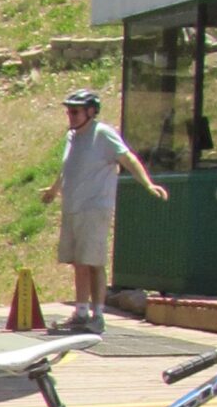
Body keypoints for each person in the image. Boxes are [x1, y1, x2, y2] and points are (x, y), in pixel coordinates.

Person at [40, 88, 166, 332]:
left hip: (94, 207)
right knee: (78, 262)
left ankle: (97, 315)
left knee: (93, 261)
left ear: (90, 112)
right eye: (68, 111)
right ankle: (81, 311)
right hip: (73, 207)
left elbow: (127, 158)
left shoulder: (103, 134)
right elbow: (68, 167)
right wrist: (54, 190)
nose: (71, 116)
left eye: (75, 111)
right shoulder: (73, 136)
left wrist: (148, 183)